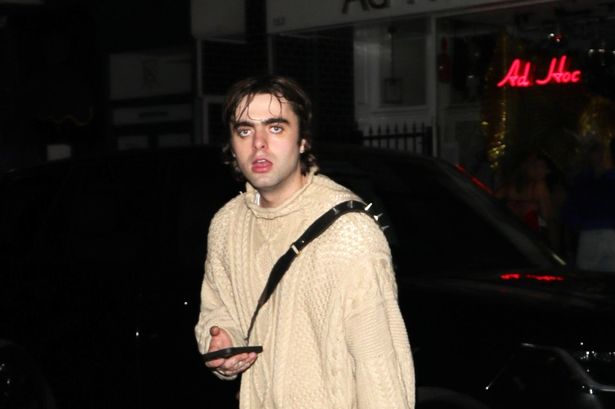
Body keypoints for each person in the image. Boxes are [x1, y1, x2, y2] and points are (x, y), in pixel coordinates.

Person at [194, 75, 415, 408]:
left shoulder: (349, 233)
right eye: (245, 131)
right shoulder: (227, 225)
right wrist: (222, 340)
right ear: (232, 145)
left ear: (303, 141)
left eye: (276, 128)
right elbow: (219, 310)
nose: (259, 144)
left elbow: (380, 369)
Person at [563, 139, 615, 272]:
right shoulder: (583, 181)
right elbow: (571, 209)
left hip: (596, 234)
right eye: (597, 152)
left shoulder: (583, 181)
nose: (601, 156)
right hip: (593, 234)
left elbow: (571, 210)